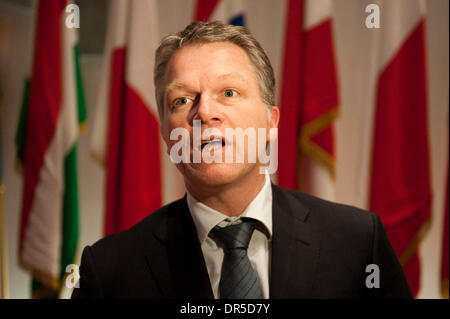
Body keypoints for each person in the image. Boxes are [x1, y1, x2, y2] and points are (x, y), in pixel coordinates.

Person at [72, 21, 412, 299]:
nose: (204, 112)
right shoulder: (109, 272)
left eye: (229, 93)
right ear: (165, 132)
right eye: (182, 100)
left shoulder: (357, 243)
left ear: (271, 122)